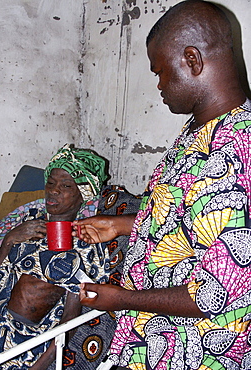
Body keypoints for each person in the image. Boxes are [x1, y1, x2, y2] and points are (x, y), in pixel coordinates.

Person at [75, 1, 251, 369]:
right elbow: (186, 222)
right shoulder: (198, 131)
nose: (158, 85)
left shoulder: (236, 152)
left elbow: (215, 296)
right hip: (150, 336)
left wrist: (122, 299)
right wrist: (122, 225)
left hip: (192, 350)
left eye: (161, 72)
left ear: (192, 60)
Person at [0, 144, 111, 369]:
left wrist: (41, 365)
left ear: (83, 195)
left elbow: (71, 318)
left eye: (66, 185)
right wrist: (9, 239)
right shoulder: (30, 219)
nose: (53, 191)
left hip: (19, 341)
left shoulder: (86, 242)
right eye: (51, 183)